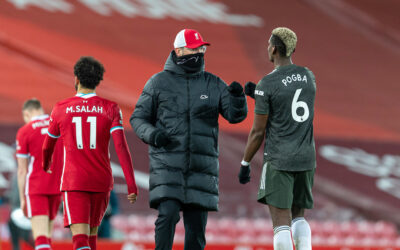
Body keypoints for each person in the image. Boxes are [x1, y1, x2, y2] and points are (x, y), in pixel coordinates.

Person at [130, 28, 247, 250]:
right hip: (167, 164)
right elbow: (138, 118)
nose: (199, 52)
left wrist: (237, 98)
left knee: (196, 230)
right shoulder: (158, 83)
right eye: (194, 48)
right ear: (178, 50)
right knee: (168, 215)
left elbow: (234, 116)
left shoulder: (213, 83)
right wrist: (153, 135)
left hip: (201, 169)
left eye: (201, 48)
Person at [42, 56, 138, 250]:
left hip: (75, 181)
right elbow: (121, 147)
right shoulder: (111, 108)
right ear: (98, 81)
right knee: (92, 238)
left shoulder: (61, 108)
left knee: (79, 239)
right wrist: (131, 184)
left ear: (76, 79)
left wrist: (46, 164)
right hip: (101, 181)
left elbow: (47, 146)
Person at [239, 27, 316, 250]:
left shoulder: (268, 84)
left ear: (274, 49)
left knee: (281, 224)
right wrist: (259, 96)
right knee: (299, 217)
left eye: (268, 44)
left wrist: (245, 163)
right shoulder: (308, 76)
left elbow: (257, 132)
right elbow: (293, 105)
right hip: (306, 158)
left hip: (280, 158)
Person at [16, 98, 63, 250]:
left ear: (27, 113)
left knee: (40, 237)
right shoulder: (59, 125)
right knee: (47, 236)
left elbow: (22, 169)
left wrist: (22, 199)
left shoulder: (25, 130)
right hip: (56, 187)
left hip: (36, 187)